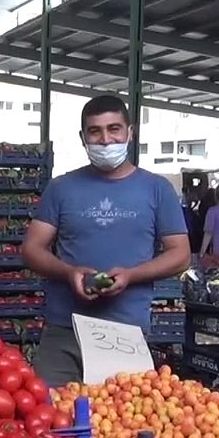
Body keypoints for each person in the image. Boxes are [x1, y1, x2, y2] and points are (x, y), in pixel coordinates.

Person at [21, 95, 190, 387]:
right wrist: (68, 272)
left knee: (121, 424)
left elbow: (181, 254)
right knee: (49, 419)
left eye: (114, 129)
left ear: (130, 133)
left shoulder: (157, 189)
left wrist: (131, 275)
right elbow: (32, 249)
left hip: (125, 332)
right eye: (95, 131)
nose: (106, 140)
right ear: (82, 137)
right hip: (64, 329)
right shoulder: (61, 187)